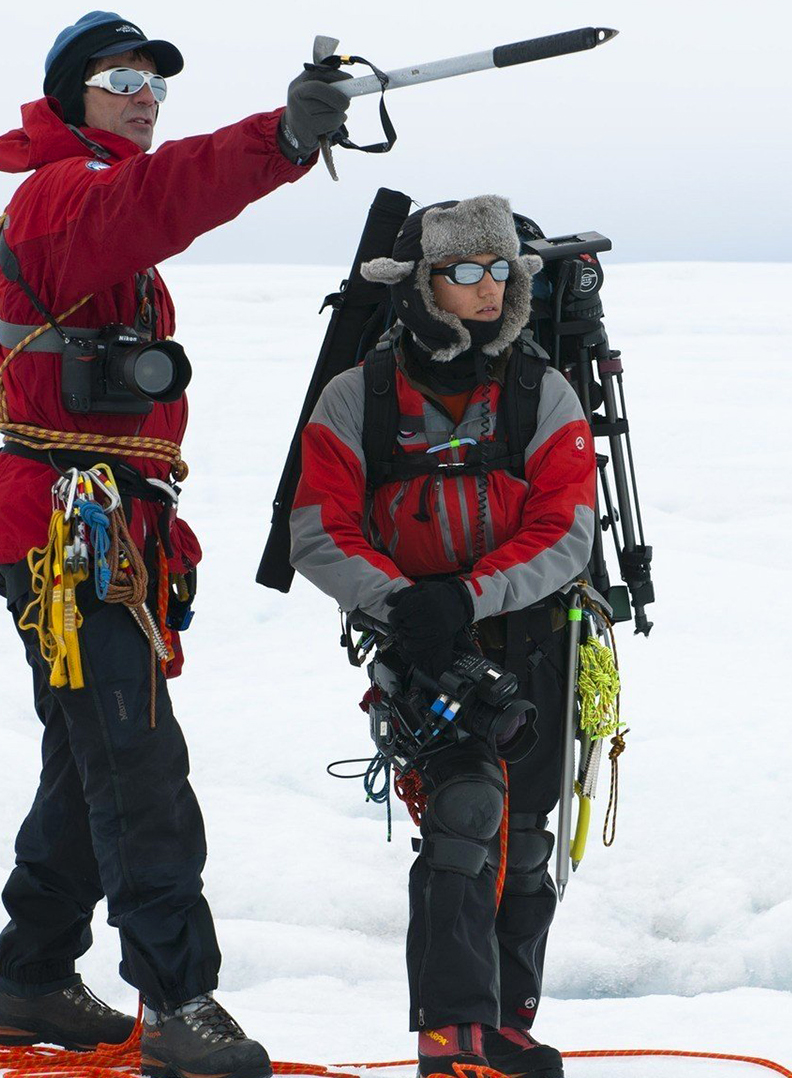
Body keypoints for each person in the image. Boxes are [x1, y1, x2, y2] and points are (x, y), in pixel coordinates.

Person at [0, 11, 354, 1078]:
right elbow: (162, 197)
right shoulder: (67, 195)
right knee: (136, 762)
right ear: (69, 95)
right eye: (119, 77)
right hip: (66, 530)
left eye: (153, 81)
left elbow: (151, 198)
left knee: (86, 753)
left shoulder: (84, 193)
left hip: (99, 521)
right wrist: (279, 140)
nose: (142, 93)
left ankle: (34, 976)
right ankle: (179, 1003)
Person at [288, 195, 598, 1078]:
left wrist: (467, 595)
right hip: (423, 651)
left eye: (502, 270)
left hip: (534, 638)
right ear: (424, 283)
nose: (488, 289)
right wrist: (403, 606)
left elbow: (566, 528)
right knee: (466, 820)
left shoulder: (544, 391)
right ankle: (454, 1039)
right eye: (466, 271)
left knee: (527, 839)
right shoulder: (359, 397)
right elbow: (319, 528)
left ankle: (506, 1021)